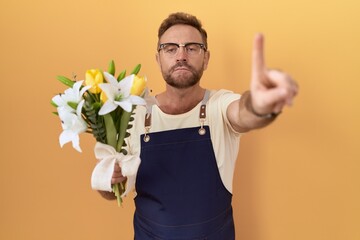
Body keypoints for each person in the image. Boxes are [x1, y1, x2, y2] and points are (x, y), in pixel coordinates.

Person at [98, 12, 298, 239]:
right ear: (158, 58)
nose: (181, 55)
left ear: (206, 57)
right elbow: (110, 192)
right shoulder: (134, 114)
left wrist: (261, 106)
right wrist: (110, 180)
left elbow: (244, 113)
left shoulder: (218, 106)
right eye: (170, 48)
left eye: (192, 47)